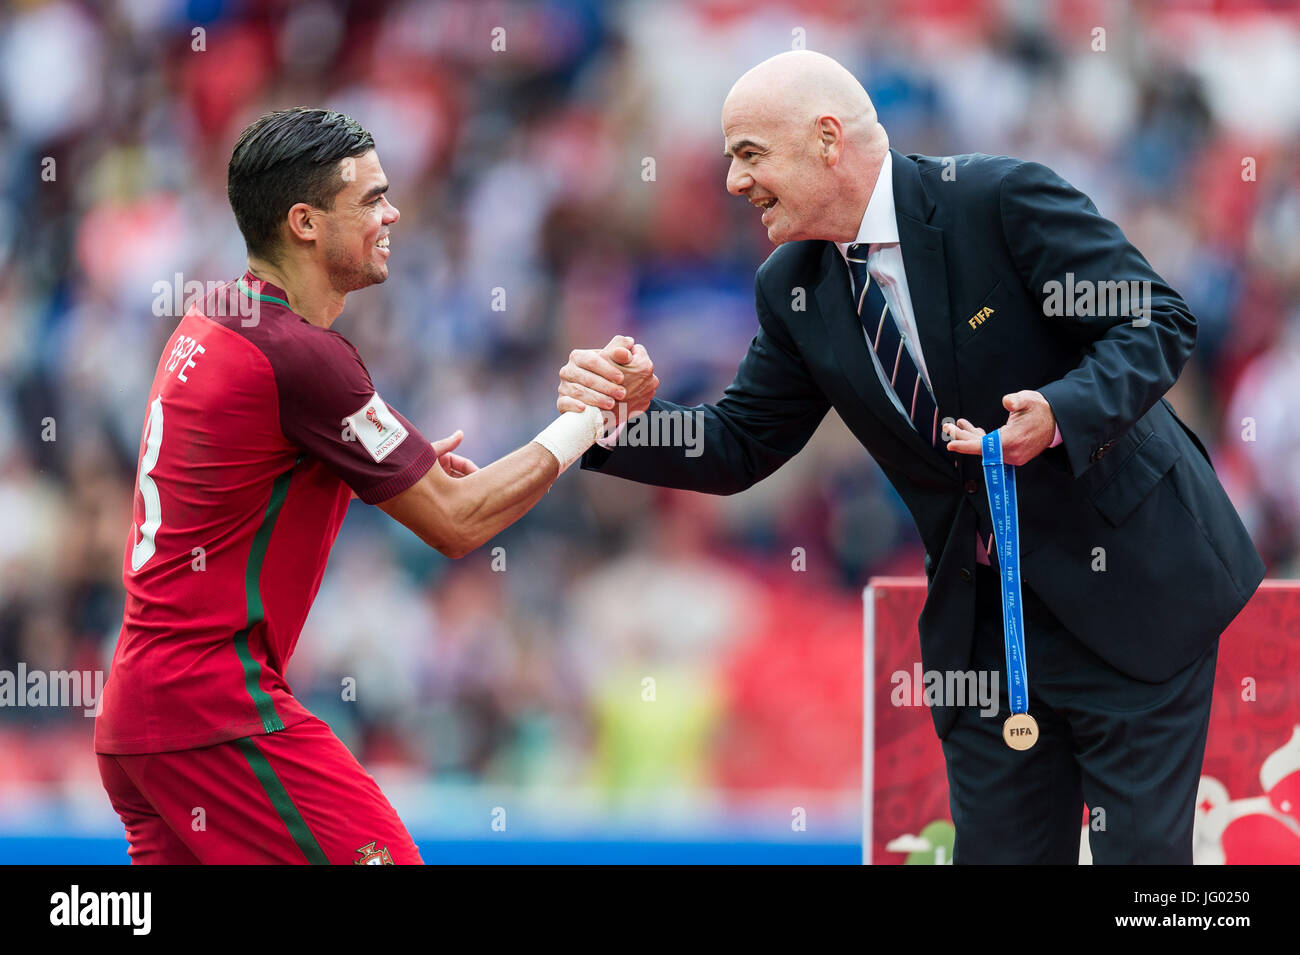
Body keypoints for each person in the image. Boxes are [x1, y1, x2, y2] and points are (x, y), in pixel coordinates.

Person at [558, 51, 1266, 864]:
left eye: (748, 153)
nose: (731, 182)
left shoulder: (998, 200)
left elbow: (1154, 321)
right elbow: (739, 443)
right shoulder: (792, 287)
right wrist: (616, 423)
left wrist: (1060, 413)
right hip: (987, 638)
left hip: (1134, 589)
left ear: (827, 140)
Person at [93, 107, 649, 864]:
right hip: (216, 713)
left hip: (140, 716)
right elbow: (458, 523)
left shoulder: (214, 318)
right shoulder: (301, 354)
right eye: (371, 198)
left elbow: (254, 464)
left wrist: (389, 465)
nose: (392, 214)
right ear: (305, 223)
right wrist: (590, 419)